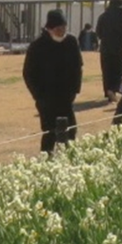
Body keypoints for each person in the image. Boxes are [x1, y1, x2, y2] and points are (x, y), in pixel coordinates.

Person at [24, 10, 83, 153]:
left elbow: (78, 67)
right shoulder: (37, 46)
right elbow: (28, 73)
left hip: (66, 96)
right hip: (46, 98)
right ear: (49, 29)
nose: (62, 32)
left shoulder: (71, 42)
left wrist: (75, 90)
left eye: (64, 28)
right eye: (58, 29)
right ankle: (47, 160)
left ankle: (69, 158)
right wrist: (38, 95)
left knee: (70, 130)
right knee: (49, 132)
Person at [95, 0, 122, 100]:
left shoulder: (103, 16)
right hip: (119, 48)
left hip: (105, 48)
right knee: (119, 71)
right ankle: (115, 88)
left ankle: (108, 91)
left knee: (107, 71)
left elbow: (98, 32)